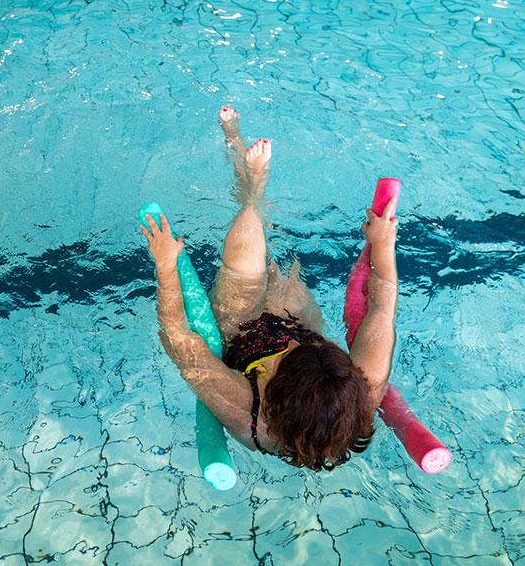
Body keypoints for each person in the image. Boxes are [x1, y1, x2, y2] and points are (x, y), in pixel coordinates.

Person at [140, 105, 399, 471]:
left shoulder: (243, 407)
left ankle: (252, 193)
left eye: (289, 353)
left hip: (240, 337)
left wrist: (165, 267)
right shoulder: (360, 389)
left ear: (272, 392)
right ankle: (253, 187)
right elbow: (383, 303)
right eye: (308, 346)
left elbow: (177, 336)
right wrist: (384, 244)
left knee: (247, 236)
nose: (291, 342)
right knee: (275, 269)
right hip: (298, 323)